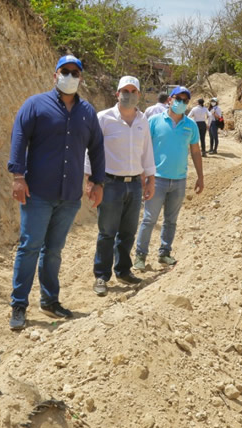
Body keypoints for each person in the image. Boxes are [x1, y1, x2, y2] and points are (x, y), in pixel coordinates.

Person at [7, 54, 105, 330]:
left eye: (76, 72)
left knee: (53, 251)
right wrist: (18, 176)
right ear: (55, 75)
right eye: (66, 71)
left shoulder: (87, 112)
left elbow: (97, 147)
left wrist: (97, 182)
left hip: (69, 195)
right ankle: (19, 305)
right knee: (29, 247)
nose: (70, 76)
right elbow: (19, 137)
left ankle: (50, 301)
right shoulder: (36, 105)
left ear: (81, 78)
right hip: (37, 191)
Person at [86, 76, 156, 296]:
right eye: (125, 90)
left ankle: (124, 271)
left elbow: (147, 151)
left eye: (133, 90)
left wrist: (150, 179)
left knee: (128, 232)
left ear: (139, 94)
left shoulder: (143, 120)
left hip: (134, 184)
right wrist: (90, 181)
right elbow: (91, 150)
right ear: (117, 93)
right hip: (110, 184)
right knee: (107, 232)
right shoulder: (103, 118)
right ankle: (101, 276)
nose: (129, 94)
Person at [133, 86, 204, 270]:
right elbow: (144, 149)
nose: (181, 102)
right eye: (178, 98)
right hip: (157, 179)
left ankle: (164, 253)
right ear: (170, 100)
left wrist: (200, 177)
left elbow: (195, 152)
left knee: (171, 220)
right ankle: (140, 255)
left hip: (179, 181)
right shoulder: (155, 121)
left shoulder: (191, 125)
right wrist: (143, 174)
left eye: (185, 100)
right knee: (149, 219)